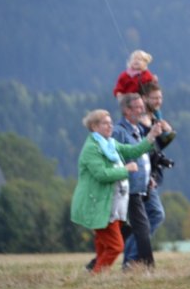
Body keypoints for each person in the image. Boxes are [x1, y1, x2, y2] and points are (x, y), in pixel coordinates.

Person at [70, 109, 162, 273]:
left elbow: (133, 151)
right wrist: (126, 170)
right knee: (115, 246)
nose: (110, 126)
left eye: (111, 122)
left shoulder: (110, 144)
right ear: (94, 126)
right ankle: (96, 275)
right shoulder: (92, 148)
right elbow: (102, 174)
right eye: (105, 123)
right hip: (98, 205)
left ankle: (92, 273)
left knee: (103, 243)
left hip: (112, 205)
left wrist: (151, 136)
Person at [121, 82, 176, 265]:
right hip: (141, 178)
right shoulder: (138, 125)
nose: (158, 101)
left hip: (150, 176)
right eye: (154, 98)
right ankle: (131, 258)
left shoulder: (153, 120)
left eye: (160, 97)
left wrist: (168, 133)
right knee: (153, 216)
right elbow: (140, 150)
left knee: (144, 221)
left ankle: (131, 258)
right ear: (144, 99)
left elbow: (158, 147)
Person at [112, 93, 158, 269]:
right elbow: (117, 156)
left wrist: (148, 179)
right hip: (126, 188)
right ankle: (146, 266)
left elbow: (141, 156)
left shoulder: (136, 128)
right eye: (138, 107)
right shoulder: (119, 131)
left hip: (139, 187)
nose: (142, 110)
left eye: (142, 106)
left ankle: (134, 263)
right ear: (126, 110)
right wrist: (152, 136)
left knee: (135, 227)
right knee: (141, 227)